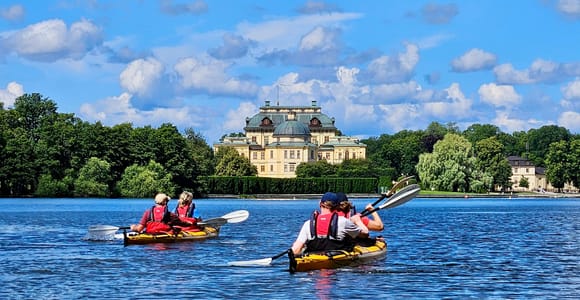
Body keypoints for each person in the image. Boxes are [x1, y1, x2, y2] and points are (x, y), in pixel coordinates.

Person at [291, 192, 369, 256]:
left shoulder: (308, 224)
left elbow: (296, 250)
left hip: (313, 260)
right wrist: (358, 221)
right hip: (337, 259)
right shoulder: (343, 222)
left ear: (320, 204)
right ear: (337, 207)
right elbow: (365, 234)